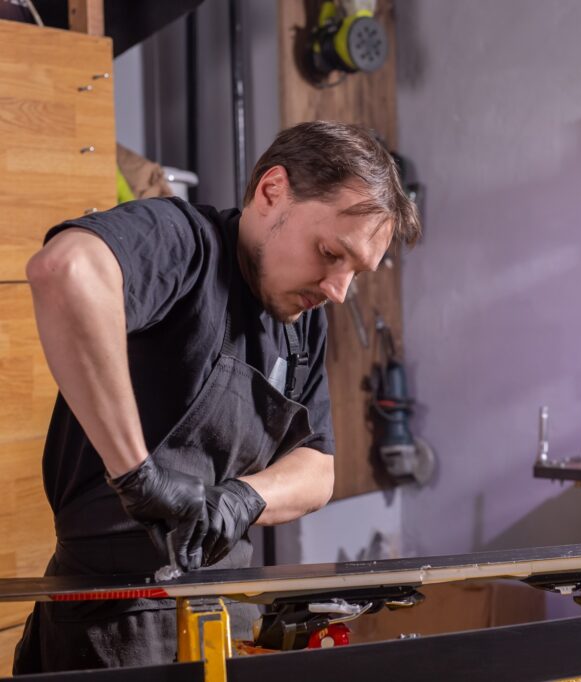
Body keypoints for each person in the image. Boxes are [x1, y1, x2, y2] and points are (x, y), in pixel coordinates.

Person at [12, 121, 421, 673]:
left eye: (356, 272)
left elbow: (318, 468)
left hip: (227, 611)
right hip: (109, 620)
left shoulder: (302, 321)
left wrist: (241, 499)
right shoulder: (183, 242)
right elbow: (65, 270)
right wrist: (138, 477)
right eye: (330, 252)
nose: (337, 289)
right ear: (271, 191)